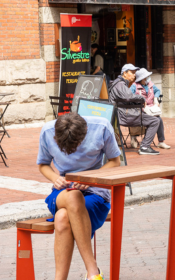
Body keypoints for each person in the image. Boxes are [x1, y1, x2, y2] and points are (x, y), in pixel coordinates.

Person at [37, 113, 121, 280]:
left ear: (86, 132)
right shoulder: (47, 131)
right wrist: (55, 178)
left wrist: (90, 179)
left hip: (95, 191)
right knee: (74, 196)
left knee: (62, 217)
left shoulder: (102, 127)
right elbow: (43, 164)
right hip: (62, 192)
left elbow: (115, 161)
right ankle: (93, 272)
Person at [108, 64, 160, 155]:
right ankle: (144, 147)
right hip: (125, 115)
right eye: (132, 72)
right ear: (124, 73)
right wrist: (141, 99)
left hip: (123, 113)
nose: (134, 75)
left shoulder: (120, 83)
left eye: (134, 73)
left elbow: (127, 98)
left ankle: (144, 145)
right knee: (155, 121)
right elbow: (129, 97)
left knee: (153, 119)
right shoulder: (120, 84)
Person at [129, 68, 170, 149]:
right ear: (142, 78)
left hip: (151, 109)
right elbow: (129, 96)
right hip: (140, 110)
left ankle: (161, 142)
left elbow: (157, 91)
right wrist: (138, 100)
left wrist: (156, 98)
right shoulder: (134, 86)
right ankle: (137, 138)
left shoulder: (150, 84)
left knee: (159, 120)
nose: (148, 78)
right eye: (146, 77)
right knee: (154, 120)